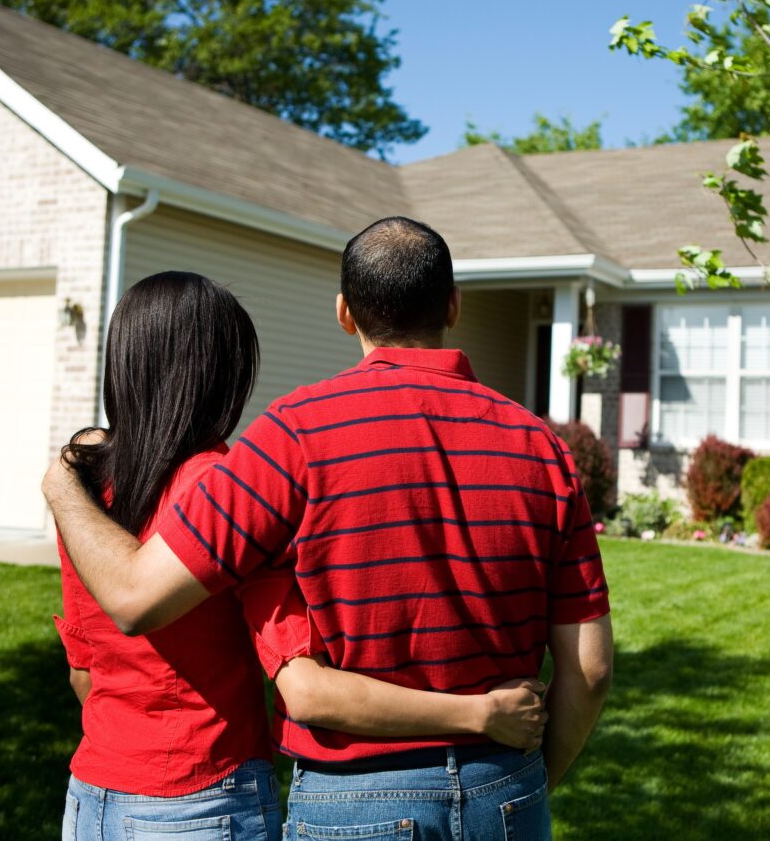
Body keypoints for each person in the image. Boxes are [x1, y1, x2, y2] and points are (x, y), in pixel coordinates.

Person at [44, 220, 613, 841]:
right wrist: (526, 781)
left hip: (351, 795)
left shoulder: (294, 436)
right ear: (453, 305)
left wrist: (61, 482)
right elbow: (590, 670)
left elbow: (124, 612)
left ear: (345, 313)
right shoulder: (544, 449)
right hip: (503, 784)